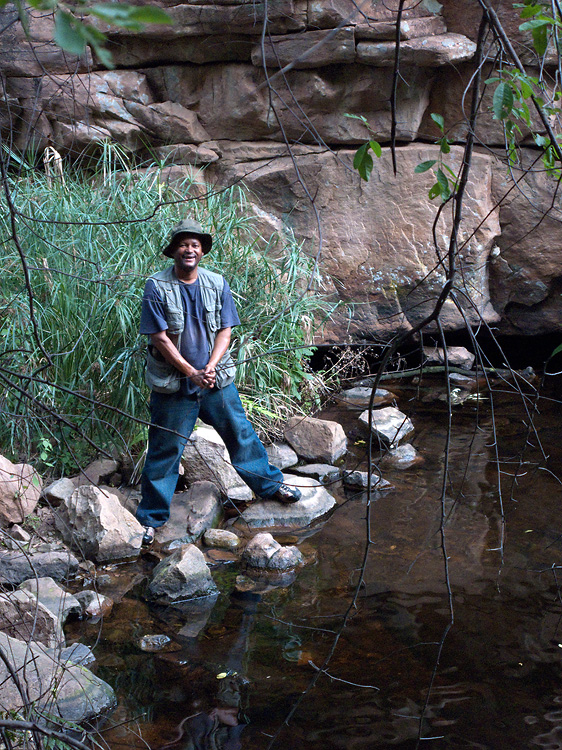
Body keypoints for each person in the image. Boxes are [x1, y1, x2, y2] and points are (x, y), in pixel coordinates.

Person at [136, 218, 301, 545]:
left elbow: (226, 330)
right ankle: (151, 519)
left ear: (201, 252)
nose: (190, 249)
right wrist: (190, 371)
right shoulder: (156, 286)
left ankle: (270, 486)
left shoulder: (216, 283)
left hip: (215, 381)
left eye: (195, 245)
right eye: (184, 244)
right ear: (174, 251)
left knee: (241, 434)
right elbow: (159, 338)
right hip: (175, 386)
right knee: (164, 449)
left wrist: (209, 366)